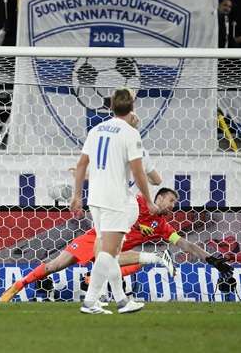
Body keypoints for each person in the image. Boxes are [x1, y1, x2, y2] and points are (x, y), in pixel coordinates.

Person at [0, 188, 235, 303]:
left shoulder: (162, 226)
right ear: (159, 197)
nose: (173, 205)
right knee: (55, 265)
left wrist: (212, 259)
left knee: (133, 263)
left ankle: (95, 280)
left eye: (176, 202)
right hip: (97, 237)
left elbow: (185, 244)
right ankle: (18, 285)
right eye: (171, 200)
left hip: (117, 251)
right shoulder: (138, 201)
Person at [68, 88, 155, 315]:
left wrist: (77, 195)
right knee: (108, 253)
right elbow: (138, 173)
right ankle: (90, 302)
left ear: (110, 106)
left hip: (95, 198)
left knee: (112, 252)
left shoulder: (96, 130)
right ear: (132, 108)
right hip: (115, 199)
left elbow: (80, 166)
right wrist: (149, 200)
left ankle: (122, 301)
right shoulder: (130, 133)